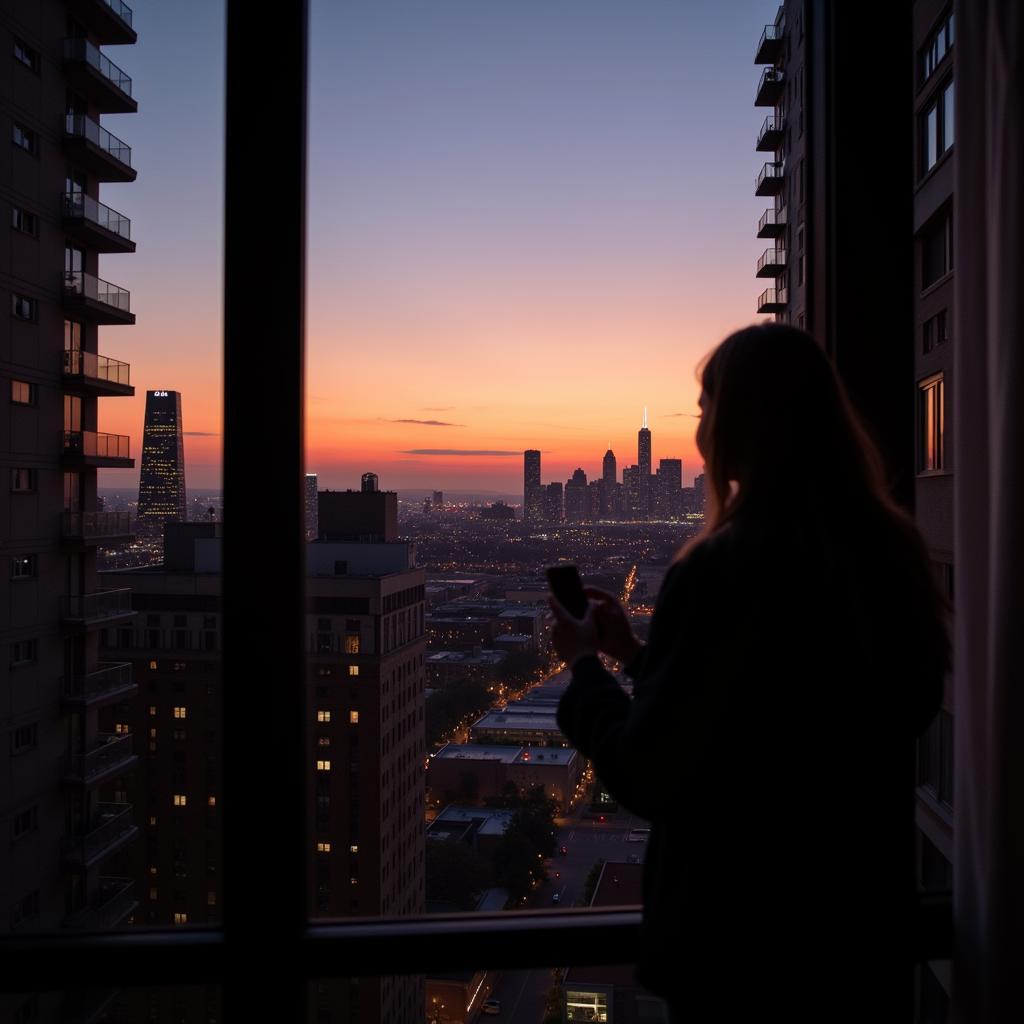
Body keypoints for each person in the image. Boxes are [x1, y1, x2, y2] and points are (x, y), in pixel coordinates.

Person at [551, 324, 950, 1021]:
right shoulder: (889, 554)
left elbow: (652, 770)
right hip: (856, 929)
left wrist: (586, 670)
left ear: (743, 421)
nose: (700, 425)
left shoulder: (721, 567)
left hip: (735, 944)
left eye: (707, 406)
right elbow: (767, 712)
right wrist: (641, 659)